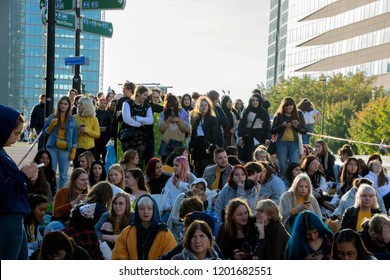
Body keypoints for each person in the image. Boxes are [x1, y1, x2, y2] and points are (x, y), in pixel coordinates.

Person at [0, 104, 39, 260]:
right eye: (16, 133)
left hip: (14, 216)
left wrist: (27, 178)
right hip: (6, 218)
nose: (17, 139)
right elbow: (2, 190)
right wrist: (22, 175)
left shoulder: (2, 152)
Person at [112, 194, 177, 259]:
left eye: (149, 208)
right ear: (137, 211)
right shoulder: (127, 233)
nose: (146, 212)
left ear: (154, 210)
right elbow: (118, 256)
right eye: (142, 209)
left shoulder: (165, 234)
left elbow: (171, 258)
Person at [43, 96, 78, 189]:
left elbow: (75, 136)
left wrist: (74, 150)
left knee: (63, 175)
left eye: (65, 104)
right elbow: (44, 133)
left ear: (69, 106)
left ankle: (60, 195)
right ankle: (51, 193)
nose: (63, 106)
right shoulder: (52, 117)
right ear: (58, 105)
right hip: (52, 147)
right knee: (51, 172)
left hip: (65, 148)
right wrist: (51, 126)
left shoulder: (72, 119)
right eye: (61, 104)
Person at [271, 97, 307, 178]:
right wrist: (282, 125)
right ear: (283, 108)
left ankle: (293, 183)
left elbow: (304, 131)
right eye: (286, 109)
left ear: (294, 106)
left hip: (294, 143)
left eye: (291, 108)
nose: (289, 110)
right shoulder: (279, 115)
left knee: (294, 166)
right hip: (281, 142)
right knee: (283, 166)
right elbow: (272, 130)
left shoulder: (299, 114)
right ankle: (283, 184)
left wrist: (297, 126)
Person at [121, 85, 153, 167]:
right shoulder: (127, 103)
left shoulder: (147, 106)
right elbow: (127, 119)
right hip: (128, 137)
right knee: (128, 160)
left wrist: (136, 118)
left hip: (141, 138)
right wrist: (139, 124)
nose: (145, 98)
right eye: (144, 95)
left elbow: (150, 120)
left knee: (139, 161)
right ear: (138, 93)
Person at [189, 96, 219, 177]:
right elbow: (193, 133)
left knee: (206, 168)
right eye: (201, 105)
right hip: (196, 144)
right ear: (198, 107)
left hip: (207, 144)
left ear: (209, 106)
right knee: (197, 168)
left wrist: (212, 145)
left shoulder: (212, 119)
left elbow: (216, 133)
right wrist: (191, 146)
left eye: (206, 105)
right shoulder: (194, 118)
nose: (203, 107)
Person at [237, 93, 271, 163]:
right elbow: (242, 124)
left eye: (256, 100)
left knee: (259, 156)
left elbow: (268, 126)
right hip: (248, 136)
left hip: (260, 136)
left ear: (259, 101)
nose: (254, 102)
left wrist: (268, 138)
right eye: (253, 100)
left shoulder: (264, 112)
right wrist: (240, 136)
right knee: (249, 156)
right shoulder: (246, 111)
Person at [162, 156, 196, 222]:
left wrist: (182, 185)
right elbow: (166, 194)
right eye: (173, 165)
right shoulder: (171, 179)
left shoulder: (190, 177)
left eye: (177, 165)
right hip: (170, 211)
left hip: (186, 212)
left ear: (183, 166)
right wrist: (168, 206)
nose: (174, 167)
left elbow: (195, 190)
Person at [158, 94, 190, 162]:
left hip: (177, 144)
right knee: (165, 166)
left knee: (178, 165)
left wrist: (179, 120)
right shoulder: (163, 114)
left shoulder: (183, 113)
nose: (172, 108)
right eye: (169, 107)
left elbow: (187, 129)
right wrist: (167, 121)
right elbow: (160, 129)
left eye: (173, 106)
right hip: (165, 144)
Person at [73, 97, 100, 168]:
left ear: (87, 106)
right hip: (77, 148)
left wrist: (87, 130)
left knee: (91, 169)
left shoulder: (94, 119)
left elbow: (97, 134)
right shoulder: (74, 117)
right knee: (77, 169)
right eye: (78, 103)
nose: (78, 105)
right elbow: (70, 133)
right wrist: (78, 132)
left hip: (90, 148)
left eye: (81, 104)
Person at [24, 194, 49, 259]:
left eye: (45, 210)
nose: (43, 213)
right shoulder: (23, 226)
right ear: (31, 209)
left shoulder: (35, 225)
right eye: (41, 210)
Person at [95, 98, 112, 164]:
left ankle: (105, 165)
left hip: (105, 135)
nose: (103, 104)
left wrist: (106, 128)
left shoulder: (108, 113)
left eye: (104, 103)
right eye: (101, 102)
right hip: (96, 134)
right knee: (96, 151)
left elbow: (111, 124)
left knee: (105, 151)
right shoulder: (95, 112)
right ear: (98, 103)